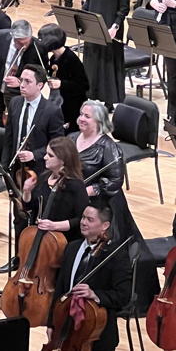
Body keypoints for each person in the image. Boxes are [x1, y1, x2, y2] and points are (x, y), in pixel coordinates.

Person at [68, 100, 160, 311]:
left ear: (99, 121)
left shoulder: (109, 147)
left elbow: (114, 181)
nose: (81, 119)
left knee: (104, 253)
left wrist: (90, 190)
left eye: (87, 116)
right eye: (80, 114)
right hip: (76, 202)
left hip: (103, 207)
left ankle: (100, 293)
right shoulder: (72, 138)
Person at [0, 64, 64, 273]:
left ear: (40, 85)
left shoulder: (52, 111)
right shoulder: (16, 103)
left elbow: (57, 143)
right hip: (17, 170)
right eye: (21, 80)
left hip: (39, 171)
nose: (22, 85)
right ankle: (19, 256)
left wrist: (35, 154)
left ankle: (34, 258)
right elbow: (9, 138)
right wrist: (5, 167)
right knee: (19, 213)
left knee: (35, 213)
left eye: (27, 82)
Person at [46, 201, 131, 351]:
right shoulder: (72, 248)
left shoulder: (115, 256)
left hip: (96, 334)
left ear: (105, 226)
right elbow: (60, 287)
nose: (83, 222)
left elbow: (123, 296)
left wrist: (95, 294)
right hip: (65, 326)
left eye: (90, 220)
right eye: (83, 218)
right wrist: (51, 323)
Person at [82, 0, 130, 111]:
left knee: (107, 62)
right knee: (92, 61)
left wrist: (115, 26)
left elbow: (124, 7)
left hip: (111, 28)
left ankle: (109, 101)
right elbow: (89, 0)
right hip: (93, 27)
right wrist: (82, 19)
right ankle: (91, 95)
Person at [0, 20, 48, 126]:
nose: (24, 46)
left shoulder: (38, 47)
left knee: (16, 126)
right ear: (13, 37)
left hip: (20, 96)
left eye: (27, 42)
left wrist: (21, 82)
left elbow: (42, 78)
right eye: (20, 43)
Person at [22, 137, 89, 242]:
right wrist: (27, 192)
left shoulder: (76, 185)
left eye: (50, 155)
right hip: (40, 236)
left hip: (62, 241)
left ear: (63, 160)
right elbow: (30, 208)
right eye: (46, 153)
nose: (44, 157)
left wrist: (54, 226)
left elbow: (81, 219)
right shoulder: (44, 177)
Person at [38, 23, 89, 133]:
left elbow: (83, 85)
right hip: (60, 102)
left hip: (72, 107)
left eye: (42, 40)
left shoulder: (71, 60)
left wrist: (61, 84)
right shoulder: (53, 58)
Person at [149, 0, 176, 125]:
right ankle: (172, 115)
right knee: (171, 73)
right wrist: (155, 4)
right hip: (164, 25)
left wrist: (174, 4)